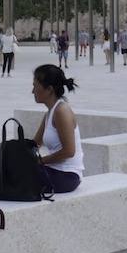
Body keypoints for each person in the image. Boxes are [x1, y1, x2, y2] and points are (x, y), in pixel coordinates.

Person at [29, 64, 84, 194]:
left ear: (49, 89)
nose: (32, 91)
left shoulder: (61, 111)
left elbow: (69, 151)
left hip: (67, 175)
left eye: (35, 86)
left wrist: (40, 161)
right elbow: (35, 144)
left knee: (20, 175)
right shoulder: (50, 113)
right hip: (54, 170)